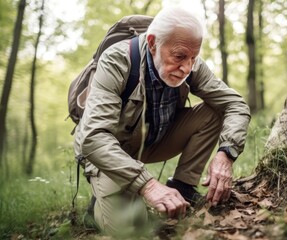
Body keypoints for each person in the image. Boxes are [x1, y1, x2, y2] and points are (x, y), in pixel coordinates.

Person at [73, 7, 250, 236]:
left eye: (193, 58)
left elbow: (235, 104)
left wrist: (226, 153)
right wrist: (148, 185)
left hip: (152, 140)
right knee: (134, 227)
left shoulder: (190, 61)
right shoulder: (117, 61)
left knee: (214, 110)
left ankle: (183, 187)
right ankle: (95, 209)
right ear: (153, 43)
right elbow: (94, 139)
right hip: (109, 152)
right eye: (179, 57)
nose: (187, 67)